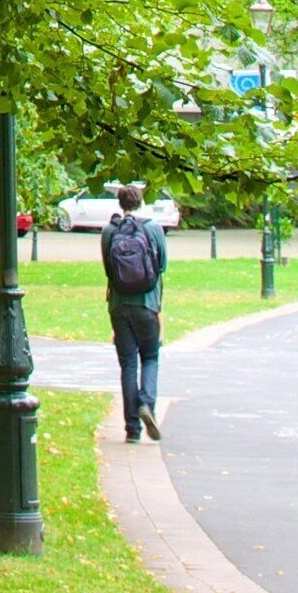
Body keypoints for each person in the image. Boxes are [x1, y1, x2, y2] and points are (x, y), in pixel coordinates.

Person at [101, 181, 167, 443]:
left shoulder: (109, 231)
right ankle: (146, 405)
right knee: (150, 357)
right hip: (148, 304)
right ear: (140, 201)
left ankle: (132, 430)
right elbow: (161, 266)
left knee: (128, 363)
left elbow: (108, 269)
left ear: (121, 203)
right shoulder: (153, 229)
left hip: (118, 305)